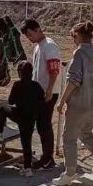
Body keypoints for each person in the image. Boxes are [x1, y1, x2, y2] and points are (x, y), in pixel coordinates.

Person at [54, 21, 93, 186]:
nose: (73, 39)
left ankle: (70, 172)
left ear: (79, 36)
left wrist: (62, 101)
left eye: (73, 36)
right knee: (86, 133)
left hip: (79, 104)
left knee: (69, 138)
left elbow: (73, 80)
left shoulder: (80, 54)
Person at [21, 19, 62, 169]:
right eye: (27, 36)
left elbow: (54, 69)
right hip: (40, 90)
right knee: (41, 125)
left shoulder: (50, 46)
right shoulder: (39, 46)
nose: (30, 38)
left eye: (31, 34)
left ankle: (48, 158)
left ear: (38, 29)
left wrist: (50, 89)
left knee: (44, 125)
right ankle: (46, 156)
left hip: (48, 91)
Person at [0, 61, 42, 177]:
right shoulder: (36, 85)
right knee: (27, 143)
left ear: (20, 73)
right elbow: (42, 100)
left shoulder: (17, 85)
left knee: (3, 109)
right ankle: (27, 168)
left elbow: (11, 101)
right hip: (31, 118)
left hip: (19, 115)